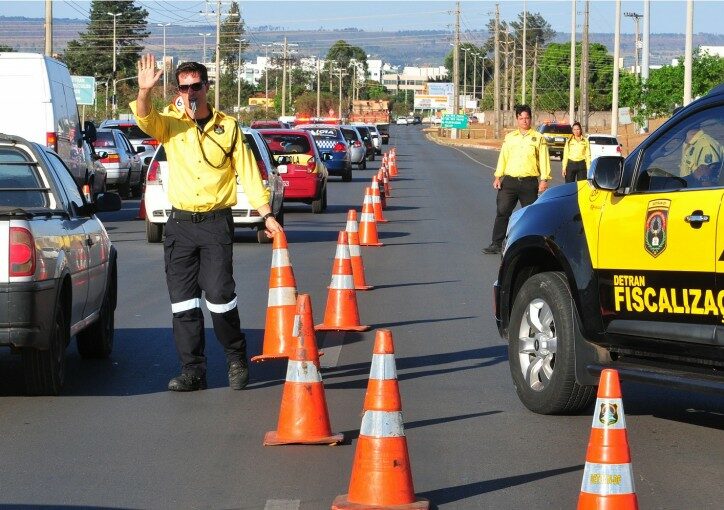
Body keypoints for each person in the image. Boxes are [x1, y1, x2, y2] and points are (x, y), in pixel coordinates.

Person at [130, 55, 283, 392]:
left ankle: (235, 356)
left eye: (195, 86)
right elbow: (145, 120)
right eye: (183, 88)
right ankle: (192, 371)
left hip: (215, 224)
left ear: (206, 87)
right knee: (183, 302)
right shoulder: (171, 123)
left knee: (219, 296)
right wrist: (144, 93)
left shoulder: (227, 127)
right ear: (178, 91)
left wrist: (266, 214)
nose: (190, 92)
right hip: (180, 225)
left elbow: (247, 172)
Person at [482, 104, 551, 255]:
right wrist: (497, 176)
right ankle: (496, 243)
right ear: (517, 119)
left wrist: (544, 180)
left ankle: (531, 245)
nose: (524, 121)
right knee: (502, 212)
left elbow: (544, 160)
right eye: (521, 118)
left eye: (527, 118)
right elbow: (503, 158)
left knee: (530, 215)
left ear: (531, 119)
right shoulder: (510, 138)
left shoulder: (538, 138)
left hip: (529, 182)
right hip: (510, 182)